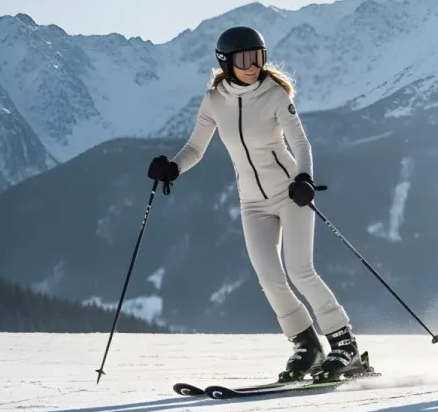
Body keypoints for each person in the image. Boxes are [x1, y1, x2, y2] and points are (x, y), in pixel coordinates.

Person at [146, 26, 364, 383]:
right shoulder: (214, 100)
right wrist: (173, 168)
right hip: (252, 203)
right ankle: (307, 346)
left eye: (258, 57)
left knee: (300, 270)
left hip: (290, 193)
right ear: (226, 62)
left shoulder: (275, 94)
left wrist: (304, 179)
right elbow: (195, 148)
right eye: (244, 58)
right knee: (269, 277)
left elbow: (301, 143)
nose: (253, 65)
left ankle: (344, 342)